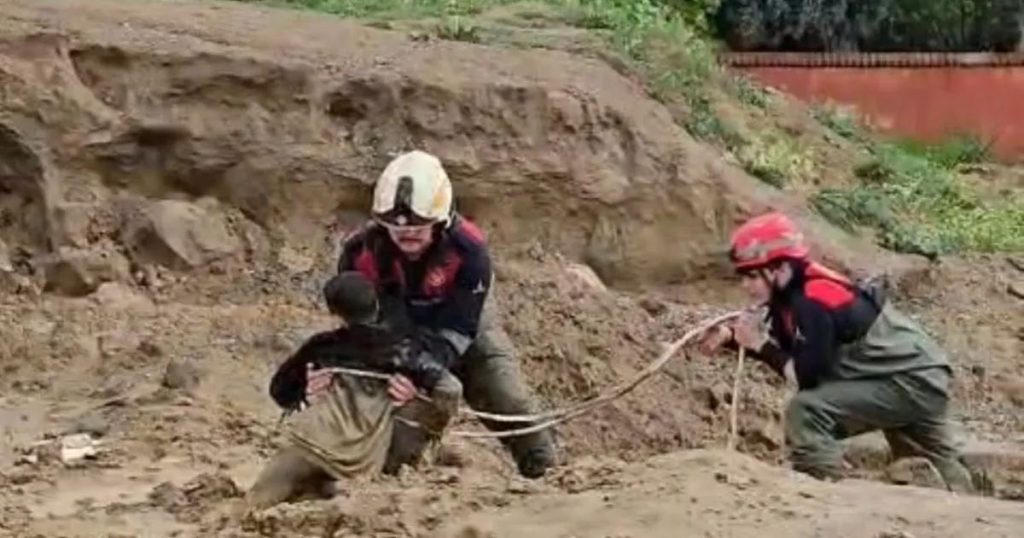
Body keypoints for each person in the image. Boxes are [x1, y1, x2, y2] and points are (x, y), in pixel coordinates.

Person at [313, 149, 557, 479]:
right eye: (396, 226)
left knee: (509, 398)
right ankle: (385, 474)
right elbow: (358, 326)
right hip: (398, 333)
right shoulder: (360, 254)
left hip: (465, 328)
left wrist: (420, 374)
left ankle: (547, 475)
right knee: (399, 415)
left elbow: (459, 330)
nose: (407, 232)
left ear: (441, 220)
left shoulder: (469, 251)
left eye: (419, 224)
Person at [698, 211, 974, 493]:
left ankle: (823, 493)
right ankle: (970, 507)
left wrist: (759, 345)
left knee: (806, 410)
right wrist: (733, 338)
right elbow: (795, 353)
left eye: (752, 276)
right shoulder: (797, 291)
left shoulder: (812, 301)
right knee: (933, 458)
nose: (745, 285)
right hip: (917, 375)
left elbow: (806, 376)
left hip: (907, 381)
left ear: (779, 269)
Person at [245, 271, 463, 510]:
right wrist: (430, 418)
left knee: (253, 505)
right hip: (360, 463)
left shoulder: (322, 346)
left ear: (336, 314)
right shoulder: (403, 350)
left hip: (309, 444)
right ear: (376, 304)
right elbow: (450, 389)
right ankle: (329, 489)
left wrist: (306, 393)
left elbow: (280, 390)